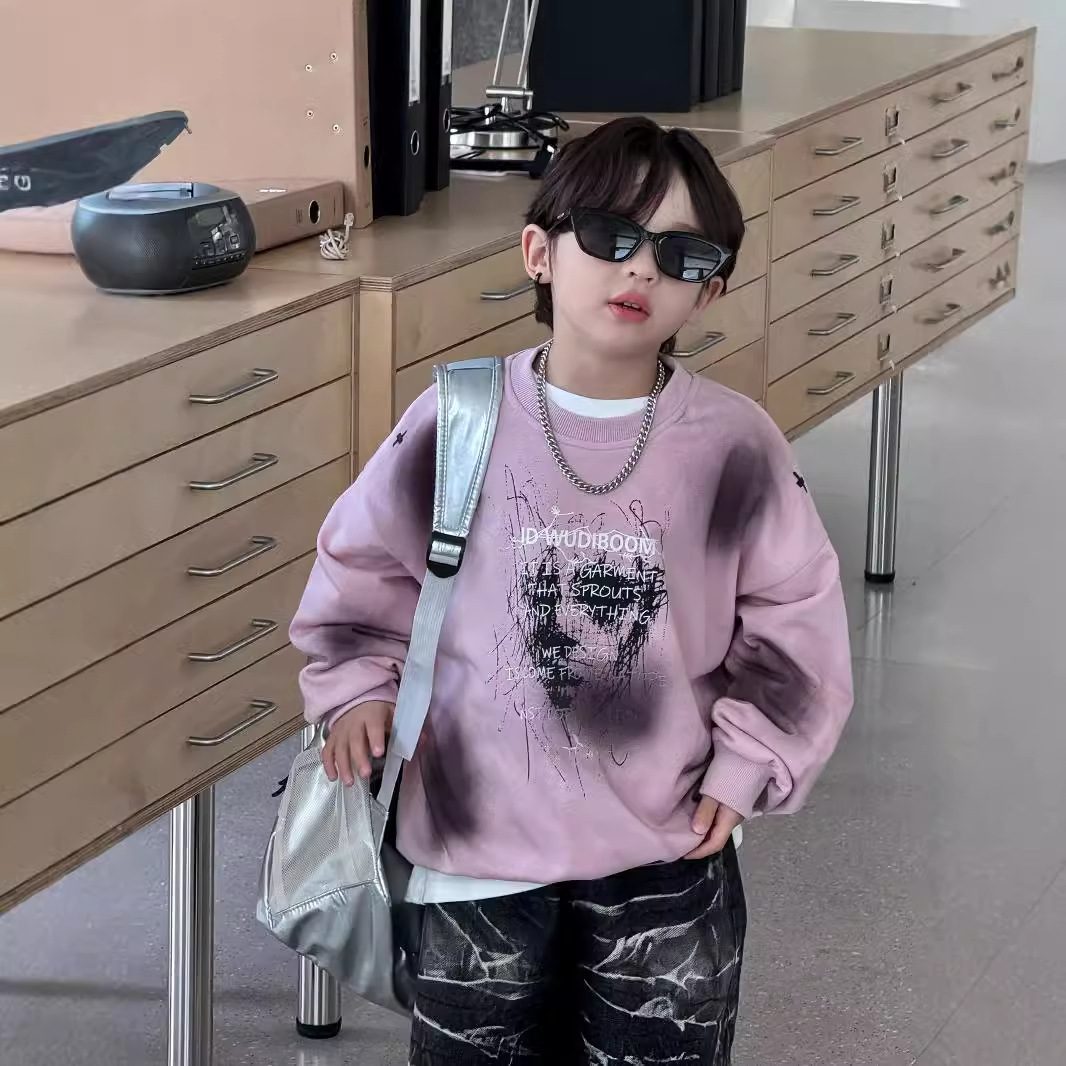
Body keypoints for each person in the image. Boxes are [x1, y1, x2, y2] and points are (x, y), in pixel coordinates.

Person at [289, 116, 854, 1065]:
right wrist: (355, 691)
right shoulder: (459, 417)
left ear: (710, 290)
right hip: (475, 848)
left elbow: (796, 620)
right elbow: (365, 570)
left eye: (681, 255)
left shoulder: (734, 445)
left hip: (665, 850)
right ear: (539, 253)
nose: (640, 270)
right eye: (610, 235)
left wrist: (749, 762)